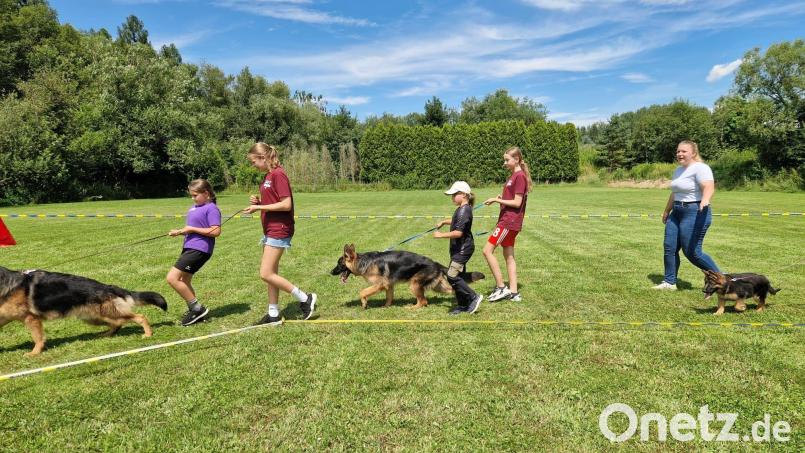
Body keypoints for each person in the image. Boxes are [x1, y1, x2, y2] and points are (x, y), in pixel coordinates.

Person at [245, 142, 316, 325]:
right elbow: (273, 200)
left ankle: (305, 298)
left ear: (263, 157)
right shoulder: (268, 176)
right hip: (270, 228)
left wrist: (259, 207)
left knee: (265, 273)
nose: (253, 166)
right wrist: (259, 201)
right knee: (271, 273)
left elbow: (286, 204)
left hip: (280, 228)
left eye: (253, 162)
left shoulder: (278, 174)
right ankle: (273, 314)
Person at [654, 140, 721, 290]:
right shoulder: (678, 170)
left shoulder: (701, 168)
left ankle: (723, 278)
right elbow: (675, 193)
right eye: (678, 151)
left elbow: (709, 186)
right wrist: (667, 211)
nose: (680, 154)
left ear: (693, 153)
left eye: (684, 151)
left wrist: (705, 200)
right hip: (676, 212)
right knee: (669, 248)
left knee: (692, 253)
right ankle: (669, 282)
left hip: (695, 211)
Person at [166, 179, 221, 326]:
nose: (192, 198)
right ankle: (195, 311)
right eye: (191, 195)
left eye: (195, 195)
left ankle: (197, 309)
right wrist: (180, 231)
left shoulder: (211, 208)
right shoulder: (195, 208)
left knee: (172, 278)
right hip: (190, 247)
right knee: (184, 280)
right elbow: (194, 228)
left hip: (200, 249)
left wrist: (191, 229)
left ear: (206, 193)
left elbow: (216, 231)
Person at [483, 146, 532, 302]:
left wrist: (496, 200)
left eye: (506, 160)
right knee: (509, 256)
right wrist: (502, 198)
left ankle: (501, 288)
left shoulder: (519, 177)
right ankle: (514, 292)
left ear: (516, 159)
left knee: (487, 251)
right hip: (509, 221)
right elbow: (512, 198)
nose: (504, 163)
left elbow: (517, 203)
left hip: (508, 222)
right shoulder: (514, 176)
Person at [434, 181, 483, 315]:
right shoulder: (462, 209)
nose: (452, 197)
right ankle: (463, 305)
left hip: (463, 249)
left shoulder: (464, 211)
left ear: (463, 195)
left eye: (454, 194)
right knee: (458, 276)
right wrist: (444, 222)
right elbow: (456, 221)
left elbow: (458, 232)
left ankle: (473, 297)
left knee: (451, 276)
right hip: (458, 248)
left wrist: (440, 235)